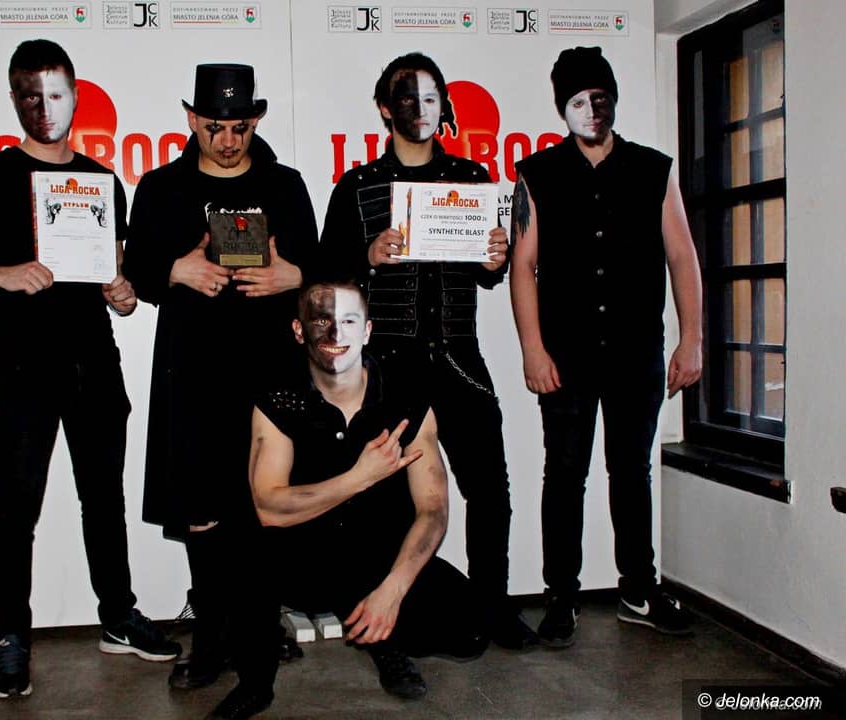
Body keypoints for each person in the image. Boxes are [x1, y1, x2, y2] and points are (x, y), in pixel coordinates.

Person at [0, 39, 180, 699]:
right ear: (15, 99)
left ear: (75, 96)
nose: (44, 107)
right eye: (30, 95)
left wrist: (122, 293)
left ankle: (117, 616)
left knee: (104, 500)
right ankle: (11, 635)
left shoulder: (101, 181)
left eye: (55, 93)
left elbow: (116, 278)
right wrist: (1, 274)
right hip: (22, 370)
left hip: (95, 366)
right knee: (15, 507)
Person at [318, 52, 537, 649]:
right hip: (387, 366)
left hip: (460, 359)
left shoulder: (472, 178)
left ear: (445, 107)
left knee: (489, 491)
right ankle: (395, 616)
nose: (421, 109)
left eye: (432, 97)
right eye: (407, 98)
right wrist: (367, 257)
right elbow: (326, 280)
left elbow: (490, 274)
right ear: (385, 108)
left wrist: (494, 257)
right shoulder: (357, 187)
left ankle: (493, 609)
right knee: (386, 500)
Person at [122, 63, 318, 694]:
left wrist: (294, 277)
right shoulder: (160, 187)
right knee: (202, 514)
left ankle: (260, 627)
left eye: (239, 127)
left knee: (265, 503)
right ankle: (210, 639)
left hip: (270, 371)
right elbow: (135, 270)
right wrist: (174, 271)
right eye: (214, 127)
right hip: (193, 373)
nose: (228, 140)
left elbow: (319, 268)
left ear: (255, 120)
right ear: (191, 119)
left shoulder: (285, 185)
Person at [210, 279, 486, 719]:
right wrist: (359, 477)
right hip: (302, 551)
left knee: (468, 630)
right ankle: (255, 682)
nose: (335, 334)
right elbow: (269, 507)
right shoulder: (279, 396)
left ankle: (384, 640)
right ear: (299, 330)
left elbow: (433, 509)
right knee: (243, 542)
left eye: (349, 321)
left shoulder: (406, 395)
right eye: (321, 321)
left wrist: (392, 592)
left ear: (368, 330)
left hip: (375, 554)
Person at [509, 46, 703, 648]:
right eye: (578, 100)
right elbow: (522, 266)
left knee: (632, 472)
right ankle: (560, 596)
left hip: (635, 351)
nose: (591, 110)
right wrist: (533, 349)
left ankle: (639, 589)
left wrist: (693, 339)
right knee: (564, 473)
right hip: (564, 355)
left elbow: (682, 256)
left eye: (600, 97)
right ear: (561, 108)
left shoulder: (653, 169)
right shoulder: (536, 174)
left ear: (613, 100)